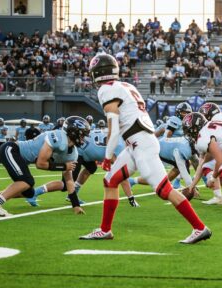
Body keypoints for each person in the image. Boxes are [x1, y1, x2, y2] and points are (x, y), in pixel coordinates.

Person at [81, 54, 211, 244]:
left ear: (98, 73)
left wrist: (107, 156)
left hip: (141, 144)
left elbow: (114, 128)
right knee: (110, 181)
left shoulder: (106, 90)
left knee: (164, 190)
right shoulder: (127, 86)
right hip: (137, 143)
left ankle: (199, 227)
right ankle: (105, 230)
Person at [0, 116, 89, 217]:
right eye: (82, 134)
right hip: (11, 149)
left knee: (29, 192)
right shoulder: (58, 137)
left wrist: (76, 205)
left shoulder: (73, 154)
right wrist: (64, 166)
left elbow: (69, 181)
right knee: (27, 181)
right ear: (73, 131)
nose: (83, 138)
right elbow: (40, 164)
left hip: (20, 158)